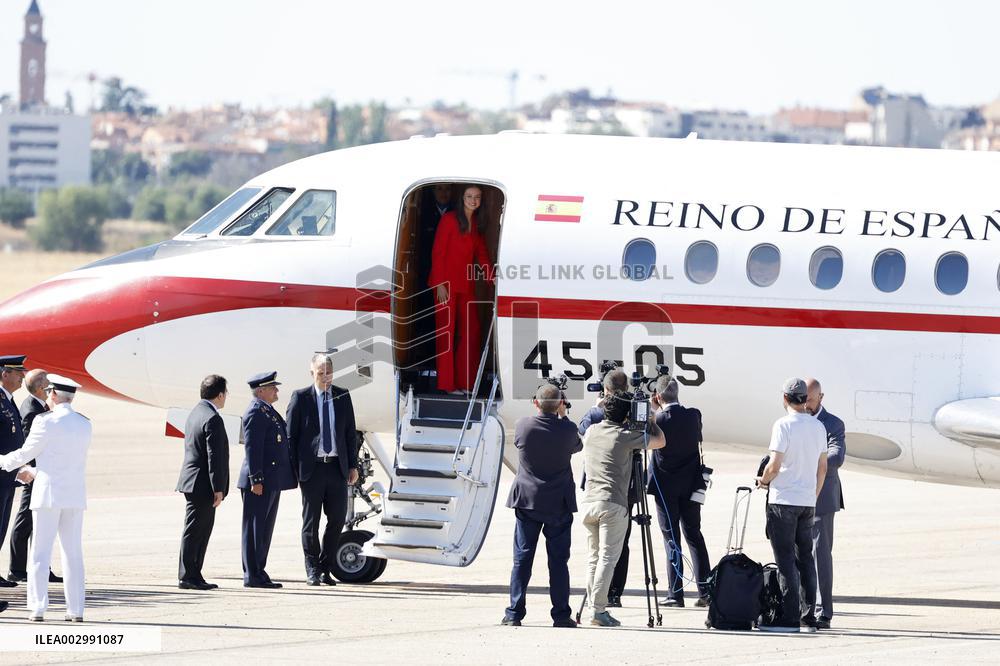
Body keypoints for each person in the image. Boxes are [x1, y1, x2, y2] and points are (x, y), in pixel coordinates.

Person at [0, 374, 91, 622]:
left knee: (40, 553)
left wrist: (3, 461)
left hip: (48, 494)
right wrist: (37, 470)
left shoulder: (45, 422)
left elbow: (25, 453)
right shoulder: (84, 423)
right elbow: (66, 462)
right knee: (73, 554)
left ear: (52, 394)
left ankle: (39, 608)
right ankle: (76, 610)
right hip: (74, 495)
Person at [580, 369, 665, 627]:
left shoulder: (592, 432)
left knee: (593, 557)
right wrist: (649, 418)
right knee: (608, 557)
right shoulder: (625, 437)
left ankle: (593, 607)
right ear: (626, 415)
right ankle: (599, 610)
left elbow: (586, 425)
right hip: (613, 505)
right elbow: (660, 441)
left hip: (589, 503)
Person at [502, 384, 583, 628]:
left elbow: (519, 442)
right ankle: (560, 615)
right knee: (558, 562)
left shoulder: (523, 426)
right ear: (560, 404)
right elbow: (576, 446)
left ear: (536, 403)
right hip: (558, 503)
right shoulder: (567, 429)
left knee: (522, 559)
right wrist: (563, 415)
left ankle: (515, 613)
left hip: (528, 501)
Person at [756, 378, 828, 633]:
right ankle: (809, 617)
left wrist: (763, 481)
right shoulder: (818, 427)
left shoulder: (783, 425)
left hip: (783, 501)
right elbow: (822, 468)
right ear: (804, 399)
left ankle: (787, 617)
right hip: (807, 502)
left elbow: (775, 465)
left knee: (785, 559)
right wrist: (813, 495)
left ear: (785, 398)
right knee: (806, 559)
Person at [287, 354, 359, 586]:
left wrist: (352, 465)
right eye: (321, 373)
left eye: (329, 372)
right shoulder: (300, 398)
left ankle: (325, 568)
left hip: (336, 468)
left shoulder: (342, 395)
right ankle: (312, 568)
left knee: (337, 519)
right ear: (312, 373)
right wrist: (295, 470)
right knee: (311, 522)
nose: (326, 377)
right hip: (312, 469)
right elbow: (291, 437)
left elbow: (350, 432)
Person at [647, 377, 712, 609]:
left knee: (671, 539)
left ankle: (676, 593)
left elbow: (650, 439)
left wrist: (653, 412)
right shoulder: (694, 415)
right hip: (691, 485)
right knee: (694, 535)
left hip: (666, 488)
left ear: (657, 397)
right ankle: (706, 589)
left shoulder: (658, 419)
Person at [427, 184, 493, 394]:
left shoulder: (475, 223)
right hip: (445, 286)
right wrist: (439, 285)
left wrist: (494, 278)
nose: (473, 200)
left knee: (471, 332)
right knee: (446, 335)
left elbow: (481, 253)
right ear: (462, 198)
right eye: (469, 196)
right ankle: (447, 385)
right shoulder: (449, 219)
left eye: (477, 197)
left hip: (465, 285)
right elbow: (438, 252)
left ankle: (466, 383)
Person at [577, 370, 632, 608]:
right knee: (617, 547)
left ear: (605, 389)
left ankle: (593, 602)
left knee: (595, 555)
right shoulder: (630, 414)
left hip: (593, 492)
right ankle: (612, 595)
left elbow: (581, 429)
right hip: (621, 490)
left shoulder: (595, 416)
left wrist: (596, 406)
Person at [238, 371, 296, 588]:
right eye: (273, 387)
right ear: (261, 390)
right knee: (254, 529)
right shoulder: (256, 412)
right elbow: (253, 449)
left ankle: (259, 571)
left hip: (271, 480)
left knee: (264, 529)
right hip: (260, 481)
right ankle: (252, 575)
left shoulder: (267, 411)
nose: (277, 391)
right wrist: (256, 479)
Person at [175, 374, 230, 591]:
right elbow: (214, 456)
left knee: (196, 530)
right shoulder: (212, 418)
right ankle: (189, 575)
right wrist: (218, 488)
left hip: (193, 481)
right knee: (197, 530)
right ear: (219, 395)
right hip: (203, 484)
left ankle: (193, 573)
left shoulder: (195, 413)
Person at [9, 369, 61, 585]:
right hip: (36, 473)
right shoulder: (32, 410)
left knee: (39, 523)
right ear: (41, 389)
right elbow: (28, 445)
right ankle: (18, 569)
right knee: (26, 521)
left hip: (42, 472)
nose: (52, 391)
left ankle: (39, 568)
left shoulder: (39, 407)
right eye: (50, 387)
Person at [805, 377, 846, 630]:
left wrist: (809, 464)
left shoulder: (833, 424)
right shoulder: (795, 421)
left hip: (822, 500)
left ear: (821, 397)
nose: (805, 404)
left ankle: (824, 611)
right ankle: (802, 606)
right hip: (797, 496)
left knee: (820, 555)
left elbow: (837, 456)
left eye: (809, 399)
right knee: (799, 553)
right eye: (802, 398)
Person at [0, 354, 28, 591]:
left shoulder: (7, 400)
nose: (22, 377)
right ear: (4, 374)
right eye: (18, 373)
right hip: (0, 475)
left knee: (1, 527)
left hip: (8, 477)